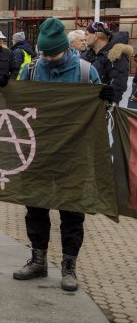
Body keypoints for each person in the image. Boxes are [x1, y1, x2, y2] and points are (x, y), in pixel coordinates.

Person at [13, 17, 106, 292]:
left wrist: (106, 100)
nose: (49, 58)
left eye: (53, 53)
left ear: (66, 48)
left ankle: (69, 266)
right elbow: (15, 108)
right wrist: (2, 89)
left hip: (74, 155)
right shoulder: (30, 71)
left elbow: (102, 116)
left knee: (72, 212)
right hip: (38, 152)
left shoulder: (87, 72)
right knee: (36, 208)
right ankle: (38, 259)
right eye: (45, 53)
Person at [82, 21, 133, 104]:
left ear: (96, 36)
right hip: (86, 104)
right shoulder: (86, 55)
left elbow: (118, 83)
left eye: (87, 34)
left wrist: (108, 103)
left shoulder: (116, 55)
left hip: (102, 106)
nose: (84, 38)